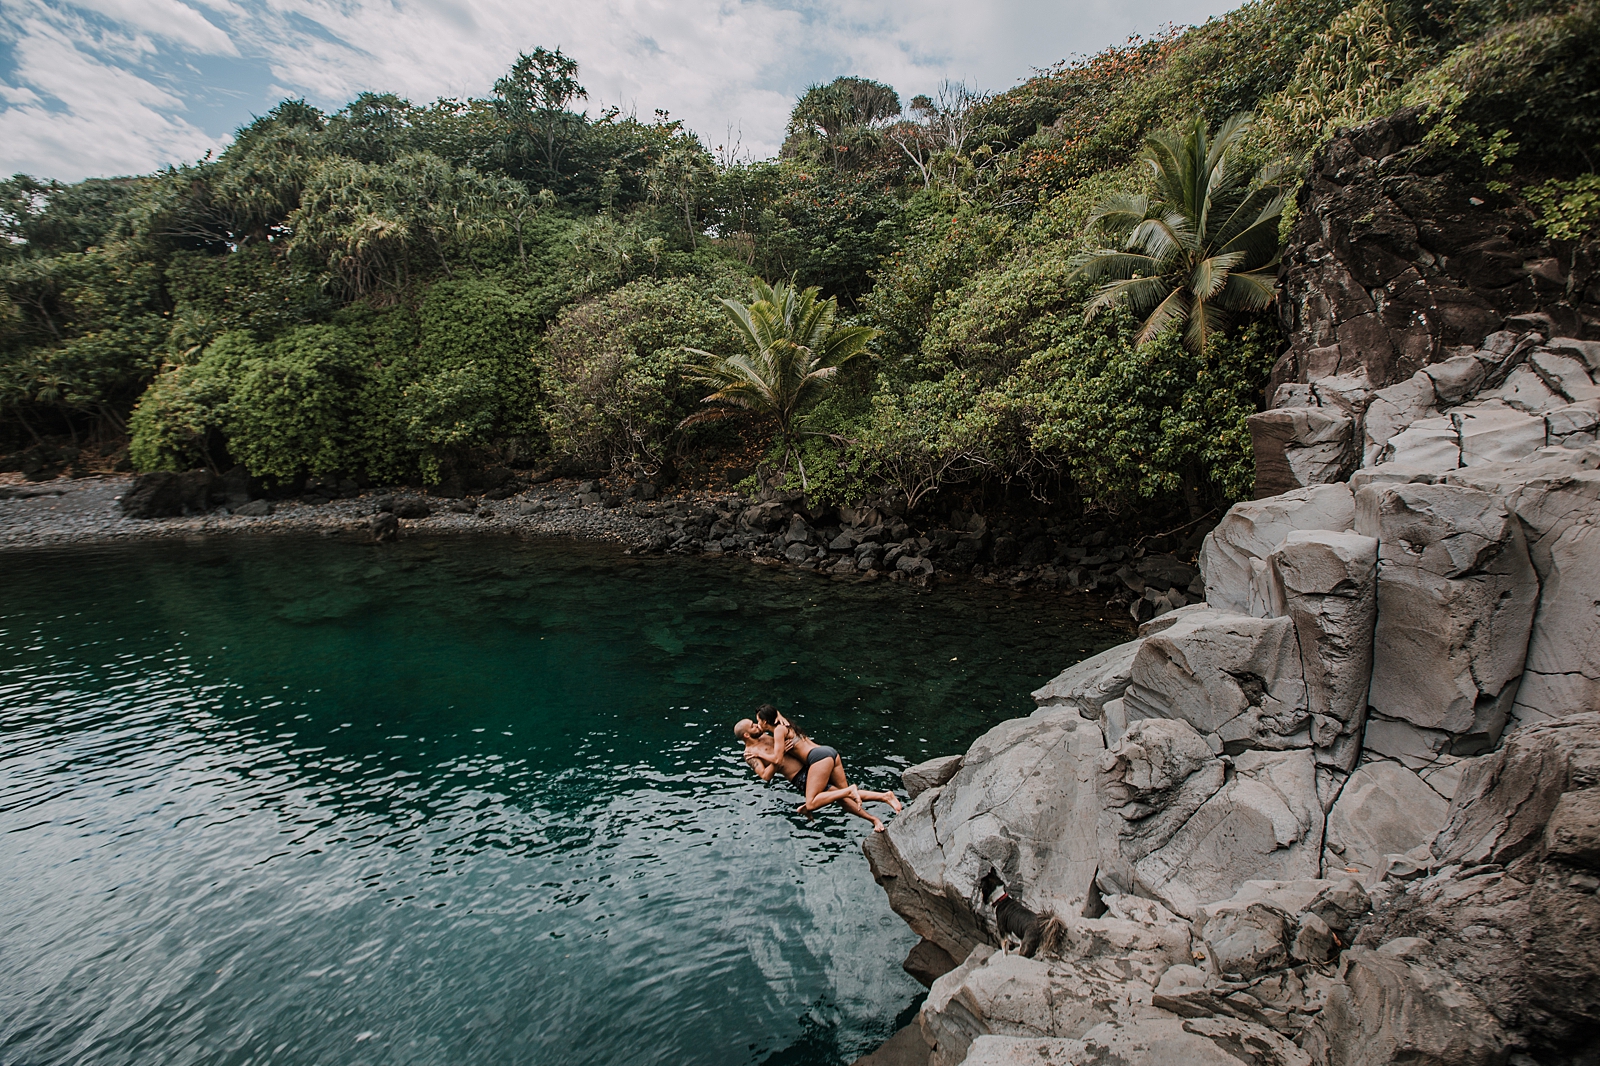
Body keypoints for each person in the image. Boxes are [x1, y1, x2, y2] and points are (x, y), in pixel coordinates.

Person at [735, 705, 901, 831]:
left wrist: (777, 716)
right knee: (842, 797)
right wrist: (776, 761)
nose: (757, 725)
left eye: (757, 722)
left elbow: (773, 725)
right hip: (808, 770)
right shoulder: (750, 754)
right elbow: (765, 776)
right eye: (753, 725)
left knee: (822, 800)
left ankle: (851, 798)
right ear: (746, 735)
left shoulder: (769, 733)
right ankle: (882, 802)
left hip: (814, 764)